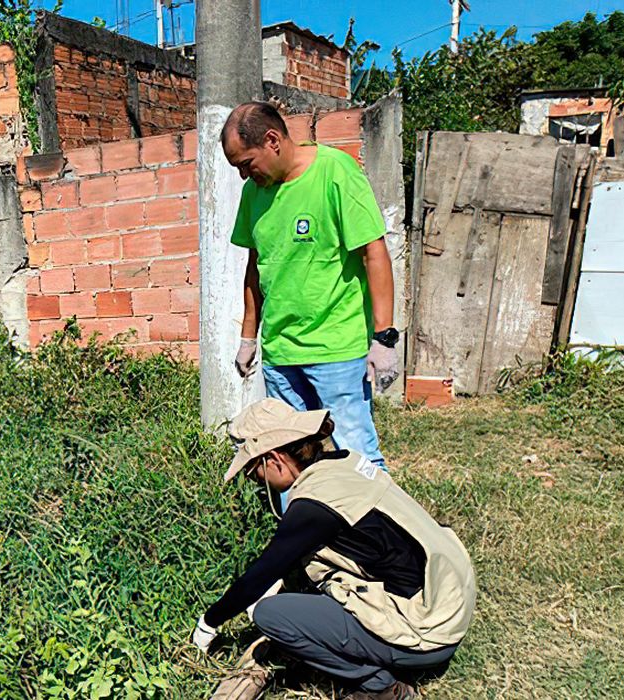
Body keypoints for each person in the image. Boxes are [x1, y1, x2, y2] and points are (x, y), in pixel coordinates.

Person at [191, 398, 475, 700]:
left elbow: (260, 575)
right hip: (450, 600)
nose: (255, 482)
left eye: (252, 471)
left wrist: (209, 623)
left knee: (270, 614)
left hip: (427, 632)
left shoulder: (314, 505)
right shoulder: (343, 463)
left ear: (273, 459)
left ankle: (380, 687)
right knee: (299, 597)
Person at [222, 101, 399, 472]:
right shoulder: (255, 193)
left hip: (335, 348)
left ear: (273, 140)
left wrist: (384, 338)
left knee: (355, 454)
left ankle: (372, 529)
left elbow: (373, 252)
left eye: (246, 164)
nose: (243, 176)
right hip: (281, 352)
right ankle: (301, 529)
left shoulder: (335, 173)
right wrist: (248, 337)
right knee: (288, 458)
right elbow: (256, 268)